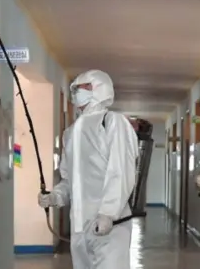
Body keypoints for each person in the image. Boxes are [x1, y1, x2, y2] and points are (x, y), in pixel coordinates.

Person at [37, 69, 139, 269]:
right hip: (79, 227)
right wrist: (55, 196)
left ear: (100, 89)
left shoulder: (112, 122)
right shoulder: (71, 133)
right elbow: (69, 179)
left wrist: (108, 212)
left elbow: (120, 170)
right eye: (75, 89)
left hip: (111, 225)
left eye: (84, 88)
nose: (77, 93)